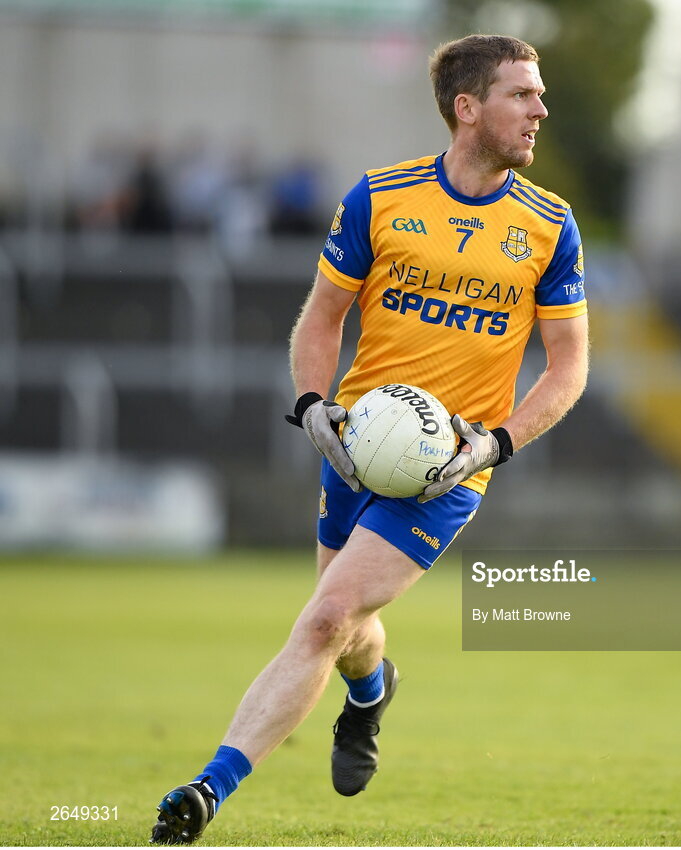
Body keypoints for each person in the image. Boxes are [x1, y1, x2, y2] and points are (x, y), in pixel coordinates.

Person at [150, 34, 589, 844]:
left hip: (450, 468)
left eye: (539, 94)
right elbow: (322, 317)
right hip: (358, 445)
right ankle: (370, 691)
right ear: (468, 107)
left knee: (324, 618)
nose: (540, 110)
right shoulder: (380, 197)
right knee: (345, 632)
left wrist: (492, 445)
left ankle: (206, 792)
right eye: (522, 95)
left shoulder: (551, 225)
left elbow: (567, 371)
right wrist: (315, 404)